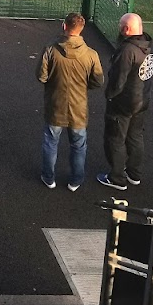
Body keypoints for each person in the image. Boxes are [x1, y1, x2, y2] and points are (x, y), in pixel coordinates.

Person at [36, 12, 104, 191]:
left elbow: (41, 76)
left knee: (51, 141)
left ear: (64, 26)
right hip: (79, 108)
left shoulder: (50, 49)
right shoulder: (91, 54)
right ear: (81, 30)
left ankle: (48, 177)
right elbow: (97, 81)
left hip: (55, 104)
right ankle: (76, 180)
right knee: (79, 145)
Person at [98, 13, 153, 192]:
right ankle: (134, 173)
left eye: (120, 26)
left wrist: (110, 95)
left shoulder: (127, 51)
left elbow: (118, 79)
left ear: (126, 29)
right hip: (142, 100)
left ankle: (116, 178)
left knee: (115, 138)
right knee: (135, 136)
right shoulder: (149, 46)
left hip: (123, 103)